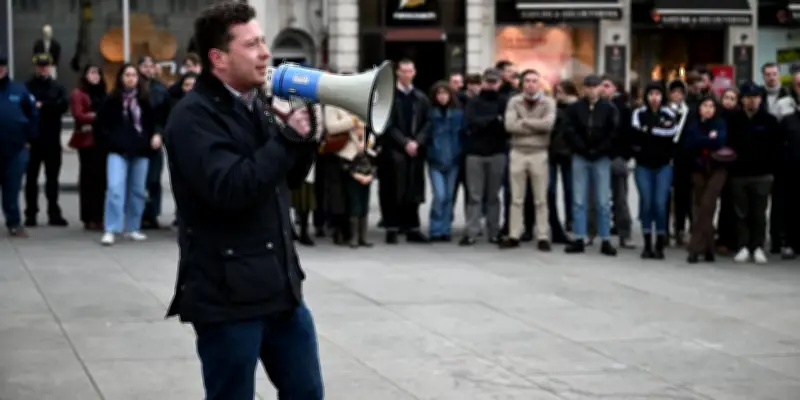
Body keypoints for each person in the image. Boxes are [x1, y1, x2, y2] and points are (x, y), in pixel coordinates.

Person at [163, 3, 322, 399]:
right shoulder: (193, 117)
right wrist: (286, 139)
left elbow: (287, 179)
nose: (266, 53)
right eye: (252, 45)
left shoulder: (257, 106)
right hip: (227, 299)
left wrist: (303, 139)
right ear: (218, 58)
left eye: (264, 41)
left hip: (281, 290)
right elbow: (230, 189)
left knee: (307, 393)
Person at [95, 64, 160, 245]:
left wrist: (156, 135)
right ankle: (111, 228)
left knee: (138, 191)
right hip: (118, 150)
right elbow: (101, 125)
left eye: (133, 75)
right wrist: (111, 141)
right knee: (115, 189)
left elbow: (155, 121)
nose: (130, 78)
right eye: (127, 75)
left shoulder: (146, 100)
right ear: (121, 78)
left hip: (141, 151)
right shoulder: (112, 100)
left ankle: (133, 227)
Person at [727, 82, 783, 264]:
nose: (752, 101)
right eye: (748, 98)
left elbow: (777, 149)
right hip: (739, 174)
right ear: (742, 100)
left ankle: (757, 246)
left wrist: (772, 170)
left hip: (762, 175)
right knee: (741, 212)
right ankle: (743, 246)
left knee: (759, 213)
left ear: (760, 99)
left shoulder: (770, 121)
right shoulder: (734, 120)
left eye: (756, 97)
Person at [500, 69, 555, 250]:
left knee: (541, 198)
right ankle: (514, 234)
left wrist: (524, 121)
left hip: (539, 152)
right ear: (522, 84)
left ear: (539, 83)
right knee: (516, 198)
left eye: (534, 81)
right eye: (527, 81)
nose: (531, 84)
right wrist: (535, 125)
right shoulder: (514, 101)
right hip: (518, 152)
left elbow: (548, 125)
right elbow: (509, 126)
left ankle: (542, 236)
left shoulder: (548, 102)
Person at [563, 74, 619, 256]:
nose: (592, 90)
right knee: (579, 200)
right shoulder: (574, 108)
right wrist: (582, 148)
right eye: (588, 86)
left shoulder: (609, 108)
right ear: (584, 89)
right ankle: (579, 237)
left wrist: (600, 149)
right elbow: (569, 130)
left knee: (603, 201)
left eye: (595, 86)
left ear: (600, 88)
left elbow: (613, 132)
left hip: (601, 157)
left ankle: (605, 239)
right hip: (580, 156)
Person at [377, 59, 431, 244]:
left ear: (414, 72)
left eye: (410, 71)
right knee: (392, 190)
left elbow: (427, 123)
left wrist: (417, 142)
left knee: (413, 191)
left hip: (415, 151)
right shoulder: (389, 96)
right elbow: (386, 124)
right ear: (397, 73)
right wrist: (405, 142)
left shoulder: (421, 98)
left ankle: (412, 228)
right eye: (403, 71)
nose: (407, 74)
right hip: (393, 152)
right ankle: (392, 228)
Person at [630, 81, 679, 259]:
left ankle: (660, 240)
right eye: (651, 94)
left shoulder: (669, 114)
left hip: (663, 166)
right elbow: (636, 134)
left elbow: (670, 134)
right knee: (647, 202)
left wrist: (649, 130)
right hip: (643, 166)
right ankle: (647, 242)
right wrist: (652, 131)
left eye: (658, 94)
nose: (654, 98)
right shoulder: (638, 113)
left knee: (660, 203)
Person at [460, 68, 508, 246]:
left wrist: (486, 122)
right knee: (474, 195)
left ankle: (494, 231)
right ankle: (471, 231)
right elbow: (470, 122)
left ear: (499, 83)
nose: (491, 85)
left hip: (497, 152)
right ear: (483, 82)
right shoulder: (474, 101)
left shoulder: (504, 101)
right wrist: (493, 120)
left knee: (493, 196)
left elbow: (506, 125)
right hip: (475, 153)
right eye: (488, 81)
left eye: (494, 82)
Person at [24, 53, 69, 227]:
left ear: (50, 67)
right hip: (33, 140)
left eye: (46, 65)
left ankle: (53, 212)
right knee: (31, 179)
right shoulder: (27, 87)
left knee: (52, 179)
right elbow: (25, 108)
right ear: (36, 66)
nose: (43, 68)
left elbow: (63, 106)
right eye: (40, 66)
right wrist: (49, 106)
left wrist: (43, 106)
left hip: (52, 140)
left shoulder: (57, 87)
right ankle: (31, 213)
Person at [684, 96, 728, 263]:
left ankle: (695, 248)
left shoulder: (720, 124)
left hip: (717, 169)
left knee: (707, 205)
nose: (708, 109)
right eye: (705, 106)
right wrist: (708, 139)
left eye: (711, 106)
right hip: (698, 169)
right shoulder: (694, 125)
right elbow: (690, 144)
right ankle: (709, 248)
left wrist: (705, 141)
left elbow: (720, 141)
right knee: (700, 207)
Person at [0, 53, 37, 237]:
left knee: (12, 188)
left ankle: (14, 223)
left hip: (16, 149)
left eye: (1, 67)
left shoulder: (19, 89)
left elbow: (33, 116)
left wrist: (30, 141)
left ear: (5, 68)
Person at [69, 63, 108, 230]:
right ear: (85, 75)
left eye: (97, 73)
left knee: (101, 180)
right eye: (92, 73)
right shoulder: (79, 94)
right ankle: (88, 217)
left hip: (102, 141)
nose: (95, 76)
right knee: (88, 179)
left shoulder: (103, 93)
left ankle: (100, 216)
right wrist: (96, 116)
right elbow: (79, 115)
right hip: (87, 141)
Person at [427, 81, 464, 241]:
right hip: (435, 161)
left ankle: (445, 229)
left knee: (449, 196)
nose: (442, 97)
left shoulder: (458, 114)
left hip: (454, 160)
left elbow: (463, 135)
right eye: (439, 94)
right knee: (439, 195)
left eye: (445, 93)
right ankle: (435, 228)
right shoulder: (430, 114)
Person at [138, 55, 170, 229]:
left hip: (155, 138)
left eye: (151, 66)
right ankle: (139, 213)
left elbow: (164, 115)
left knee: (154, 179)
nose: (148, 69)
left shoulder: (160, 88)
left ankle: (152, 213)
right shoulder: (135, 88)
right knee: (139, 180)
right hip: (139, 139)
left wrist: (160, 133)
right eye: (145, 66)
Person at [344, 120, 376, 248]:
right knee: (354, 206)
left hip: (367, 176)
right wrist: (356, 175)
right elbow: (344, 162)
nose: (360, 128)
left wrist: (371, 175)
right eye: (358, 126)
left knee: (364, 205)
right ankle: (354, 237)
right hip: (354, 177)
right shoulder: (349, 140)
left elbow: (376, 160)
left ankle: (363, 236)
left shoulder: (370, 140)